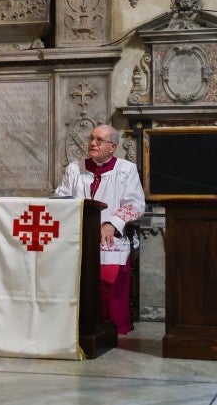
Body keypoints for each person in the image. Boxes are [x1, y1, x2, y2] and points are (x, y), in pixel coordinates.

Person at [54, 124, 146, 335]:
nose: (92, 143)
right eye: (91, 139)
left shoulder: (126, 170)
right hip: (77, 235)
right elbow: (61, 198)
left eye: (99, 140)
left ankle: (110, 328)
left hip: (110, 237)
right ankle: (74, 326)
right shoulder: (75, 168)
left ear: (112, 147)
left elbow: (136, 204)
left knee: (107, 282)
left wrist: (112, 223)